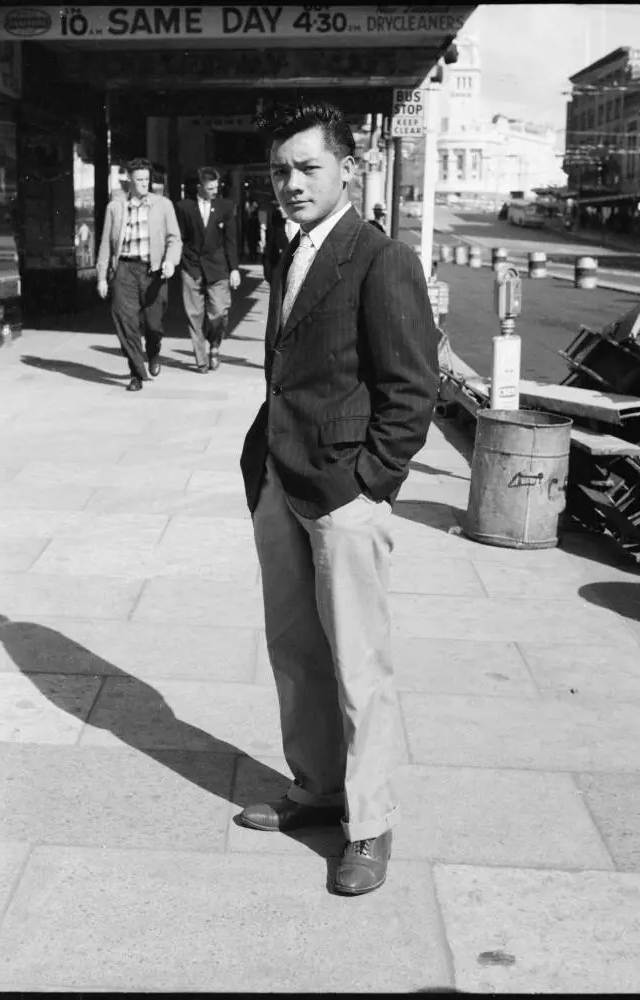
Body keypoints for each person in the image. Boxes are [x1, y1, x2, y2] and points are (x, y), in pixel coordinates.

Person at [239, 100, 439, 896]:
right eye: (279, 170)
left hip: (341, 494)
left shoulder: (379, 257)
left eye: (306, 168)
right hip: (279, 481)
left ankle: (369, 824)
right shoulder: (290, 251)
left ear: (346, 168)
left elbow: (410, 388)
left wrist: (368, 487)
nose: (289, 183)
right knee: (295, 653)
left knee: (359, 664)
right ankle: (316, 789)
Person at [97, 157, 181, 392]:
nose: (145, 183)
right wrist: (102, 276)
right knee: (127, 323)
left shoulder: (163, 205)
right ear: (130, 182)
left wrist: (170, 262)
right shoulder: (115, 207)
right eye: (140, 180)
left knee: (153, 326)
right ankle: (136, 373)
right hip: (124, 270)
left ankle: (153, 353)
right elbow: (105, 243)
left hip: (153, 271)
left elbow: (174, 239)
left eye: (147, 179)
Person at [176, 166, 241, 373]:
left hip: (218, 267)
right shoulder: (184, 208)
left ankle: (214, 345)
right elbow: (180, 237)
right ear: (199, 187)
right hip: (192, 266)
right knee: (194, 314)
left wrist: (234, 269)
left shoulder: (226, 207)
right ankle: (201, 359)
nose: (215, 190)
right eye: (210, 187)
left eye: (216, 186)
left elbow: (231, 240)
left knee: (219, 312)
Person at [262, 203, 298, 283]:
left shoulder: (270, 230)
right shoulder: (278, 231)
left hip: (273, 263)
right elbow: (283, 248)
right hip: (278, 266)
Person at [244, 196, 262, 262]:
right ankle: (253, 257)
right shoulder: (253, 213)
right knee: (253, 245)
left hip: (252, 232)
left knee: (252, 245)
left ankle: (253, 257)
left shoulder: (251, 213)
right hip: (253, 232)